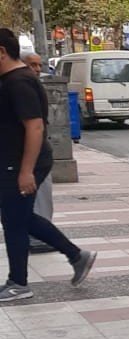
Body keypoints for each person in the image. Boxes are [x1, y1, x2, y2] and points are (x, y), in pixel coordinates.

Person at [0, 29, 97, 301]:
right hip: (14, 162)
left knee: (14, 222)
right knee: (20, 218)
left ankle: (19, 282)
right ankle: (77, 256)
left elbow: (35, 126)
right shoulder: (12, 80)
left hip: (20, 163)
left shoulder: (18, 83)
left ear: (2, 52)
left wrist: (26, 170)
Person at [20, 52, 56, 255]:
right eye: (31, 64)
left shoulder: (31, 87)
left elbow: (37, 126)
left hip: (38, 153)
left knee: (41, 195)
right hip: (27, 154)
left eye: (39, 65)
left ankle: (42, 236)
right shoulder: (21, 85)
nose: (37, 69)